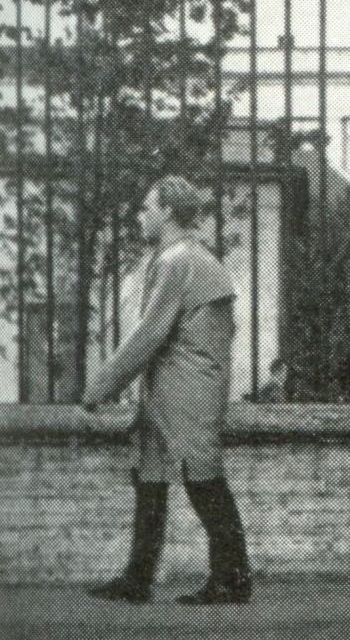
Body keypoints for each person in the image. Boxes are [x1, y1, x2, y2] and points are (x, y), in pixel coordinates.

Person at [79, 176, 255, 605]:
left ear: (169, 212)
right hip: (171, 382)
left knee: (203, 478)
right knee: (150, 474)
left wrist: (101, 385)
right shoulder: (185, 257)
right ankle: (138, 578)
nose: (141, 215)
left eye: (147, 208)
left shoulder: (180, 259)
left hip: (187, 386)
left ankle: (232, 579)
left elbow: (149, 334)